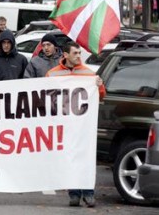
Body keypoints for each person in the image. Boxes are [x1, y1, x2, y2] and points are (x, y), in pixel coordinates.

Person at [46, 41, 105, 208]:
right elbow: (45, 98)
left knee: (85, 157)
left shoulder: (89, 73)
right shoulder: (52, 74)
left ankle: (88, 193)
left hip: (83, 125)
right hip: (64, 125)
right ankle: (74, 193)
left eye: (80, 53)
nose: (79, 56)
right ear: (65, 55)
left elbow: (100, 96)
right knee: (69, 158)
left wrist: (100, 87)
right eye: (75, 53)